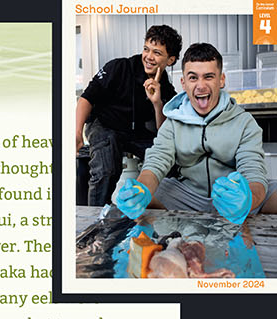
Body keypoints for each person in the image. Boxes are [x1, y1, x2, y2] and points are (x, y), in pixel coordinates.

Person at [114, 42, 277, 224]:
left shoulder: (245, 122)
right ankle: (162, 246)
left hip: (233, 196)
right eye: (193, 78)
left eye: (208, 77)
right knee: (140, 198)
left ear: (221, 80)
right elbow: (156, 162)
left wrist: (247, 200)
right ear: (183, 82)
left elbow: (253, 173)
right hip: (186, 196)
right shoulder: (172, 123)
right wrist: (140, 190)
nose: (201, 86)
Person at [75, 24, 181, 206]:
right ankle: (96, 222)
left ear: (170, 60)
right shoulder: (118, 67)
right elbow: (86, 98)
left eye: (157, 53)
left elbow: (164, 132)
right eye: (146, 49)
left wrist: (157, 103)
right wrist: (77, 132)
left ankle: (153, 214)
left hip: (135, 132)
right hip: (104, 124)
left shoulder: (167, 89)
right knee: (106, 169)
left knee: (171, 162)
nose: (149, 57)